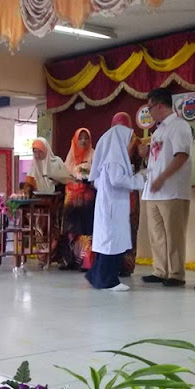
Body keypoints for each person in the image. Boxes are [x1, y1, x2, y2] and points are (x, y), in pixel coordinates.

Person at [141, 88, 192, 287]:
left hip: (172, 191)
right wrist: (145, 154)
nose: (149, 112)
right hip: (153, 191)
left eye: (150, 108)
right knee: (157, 235)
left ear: (160, 105)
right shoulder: (159, 130)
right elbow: (158, 157)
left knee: (174, 234)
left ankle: (176, 274)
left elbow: (182, 155)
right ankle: (160, 270)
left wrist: (162, 178)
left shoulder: (179, 126)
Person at [85, 124, 146, 291]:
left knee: (110, 243)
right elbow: (117, 180)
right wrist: (140, 178)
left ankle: (97, 276)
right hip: (112, 209)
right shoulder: (115, 160)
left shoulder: (110, 159)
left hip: (111, 207)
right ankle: (108, 281)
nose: (131, 145)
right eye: (130, 140)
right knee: (111, 244)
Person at [110, 112, 143, 276]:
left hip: (130, 192)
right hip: (114, 193)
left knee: (130, 228)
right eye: (117, 126)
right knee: (114, 229)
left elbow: (141, 166)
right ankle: (113, 264)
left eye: (123, 126)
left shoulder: (136, 142)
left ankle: (126, 266)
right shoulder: (109, 143)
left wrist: (136, 152)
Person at [59, 128, 96, 271]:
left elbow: (97, 173)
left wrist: (86, 177)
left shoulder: (94, 154)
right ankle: (69, 261)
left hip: (87, 198)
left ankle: (86, 262)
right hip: (71, 198)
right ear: (75, 140)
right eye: (80, 138)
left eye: (86, 138)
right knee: (70, 229)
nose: (83, 141)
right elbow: (65, 175)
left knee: (86, 228)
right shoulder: (70, 157)